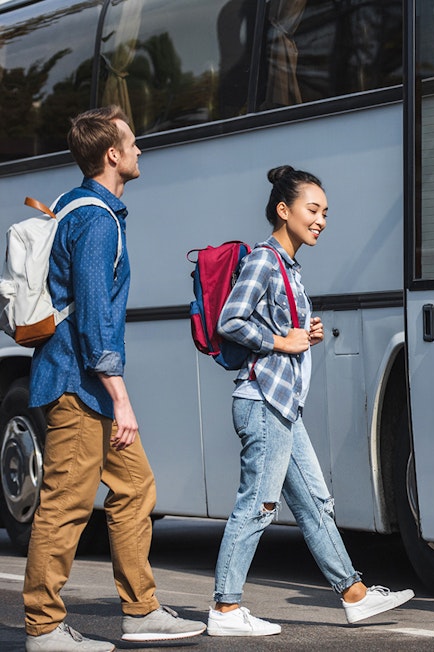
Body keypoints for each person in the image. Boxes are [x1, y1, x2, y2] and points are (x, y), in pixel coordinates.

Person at [23, 106, 206, 651]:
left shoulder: (80, 209)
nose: (140, 150)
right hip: (78, 386)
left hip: (83, 386)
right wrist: (121, 399)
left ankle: (142, 609)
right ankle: (44, 627)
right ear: (112, 155)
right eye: (133, 143)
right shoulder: (97, 221)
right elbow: (97, 319)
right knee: (65, 505)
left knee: (134, 486)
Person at [207, 165, 413, 636]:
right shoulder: (264, 259)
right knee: (258, 505)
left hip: (282, 406)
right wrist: (283, 343)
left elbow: (280, 328)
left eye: (325, 212)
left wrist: (303, 334)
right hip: (262, 402)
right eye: (313, 209)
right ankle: (224, 609)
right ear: (284, 210)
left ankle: (355, 595)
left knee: (316, 503)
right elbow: (231, 320)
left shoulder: (290, 265)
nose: (321, 219)